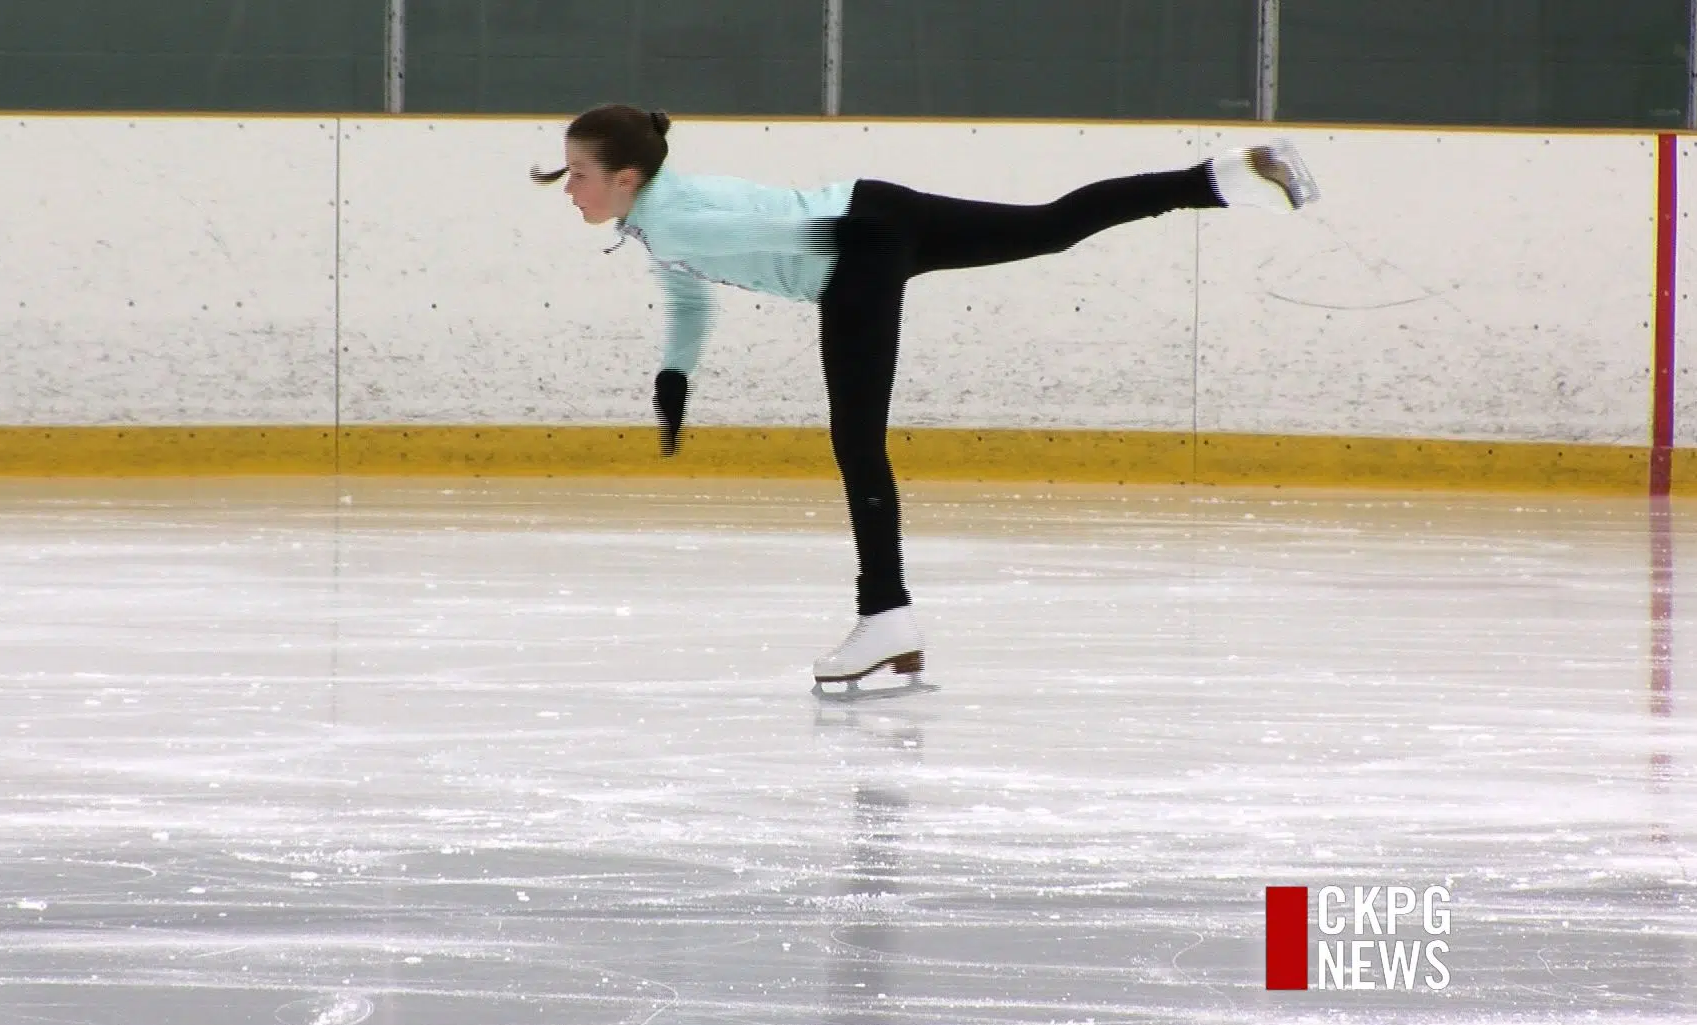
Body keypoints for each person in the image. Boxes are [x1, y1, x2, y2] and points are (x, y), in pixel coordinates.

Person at [533, 105, 1319, 692]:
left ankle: (886, 616)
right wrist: (675, 377)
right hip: (877, 210)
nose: (570, 188)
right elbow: (691, 298)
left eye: (580, 174)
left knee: (857, 444)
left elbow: (777, 238)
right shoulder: (661, 215)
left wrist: (854, 246)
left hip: (856, 245)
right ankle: (1220, 178)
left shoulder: (673, 223)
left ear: (625, 178)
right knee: (1048, 227)